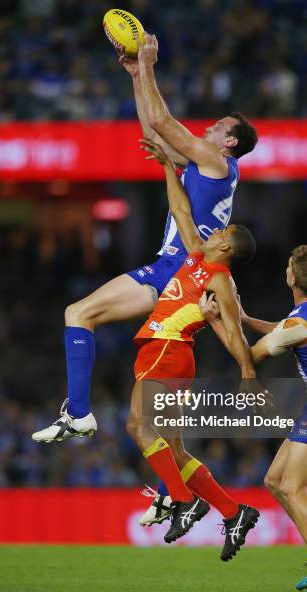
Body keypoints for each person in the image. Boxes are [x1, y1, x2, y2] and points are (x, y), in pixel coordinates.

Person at [32, 32, 257, 444]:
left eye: (219, 126)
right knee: (81, 317)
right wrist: (137, 77)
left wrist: (149, 65)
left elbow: (161, 122)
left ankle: (81, 414)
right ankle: (81, 416)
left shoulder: (217, 162)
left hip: (177, 269)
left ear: (230, 142)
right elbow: (155, 139)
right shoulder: (204, 165)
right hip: (179, 273)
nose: (209, 126)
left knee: (81, 316)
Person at [123, 139, 259, 559]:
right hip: (171, 354)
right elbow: (181, 211)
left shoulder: (220, 278)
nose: (212, 230)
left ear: (227, 247)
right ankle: (234, 512)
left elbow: (233, 329)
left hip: (168, 347)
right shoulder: (198, 255)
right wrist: (168, 167)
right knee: (174, 447)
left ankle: (183, 501)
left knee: (137, 427)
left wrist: (247, 371)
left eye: (220, 231)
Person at [204, 245, 307, 592]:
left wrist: (215, 320)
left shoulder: (298, 324)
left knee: (292, 486)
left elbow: (249, 355)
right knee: (274, 480)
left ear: (291, 277)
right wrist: (245, 318)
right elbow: (287, 329)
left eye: (288, 265)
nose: (286, 267)